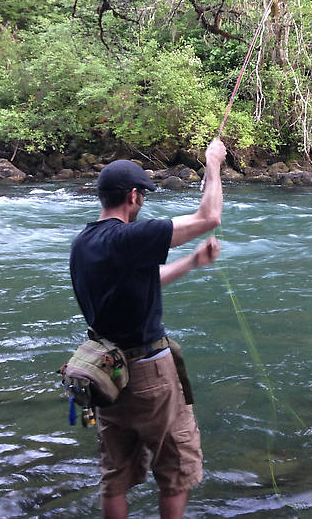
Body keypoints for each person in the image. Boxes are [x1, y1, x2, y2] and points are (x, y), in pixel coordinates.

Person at [69, 138, 227, 519]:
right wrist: (213, 164)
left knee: (116, 474)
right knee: (175, 469)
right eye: (144, 197)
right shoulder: (129, 237)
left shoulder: (84, 242)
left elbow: (139, 282)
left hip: (106, 371)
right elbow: (209, 218)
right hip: (148, 374)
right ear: (134, 196)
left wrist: (190, 262)